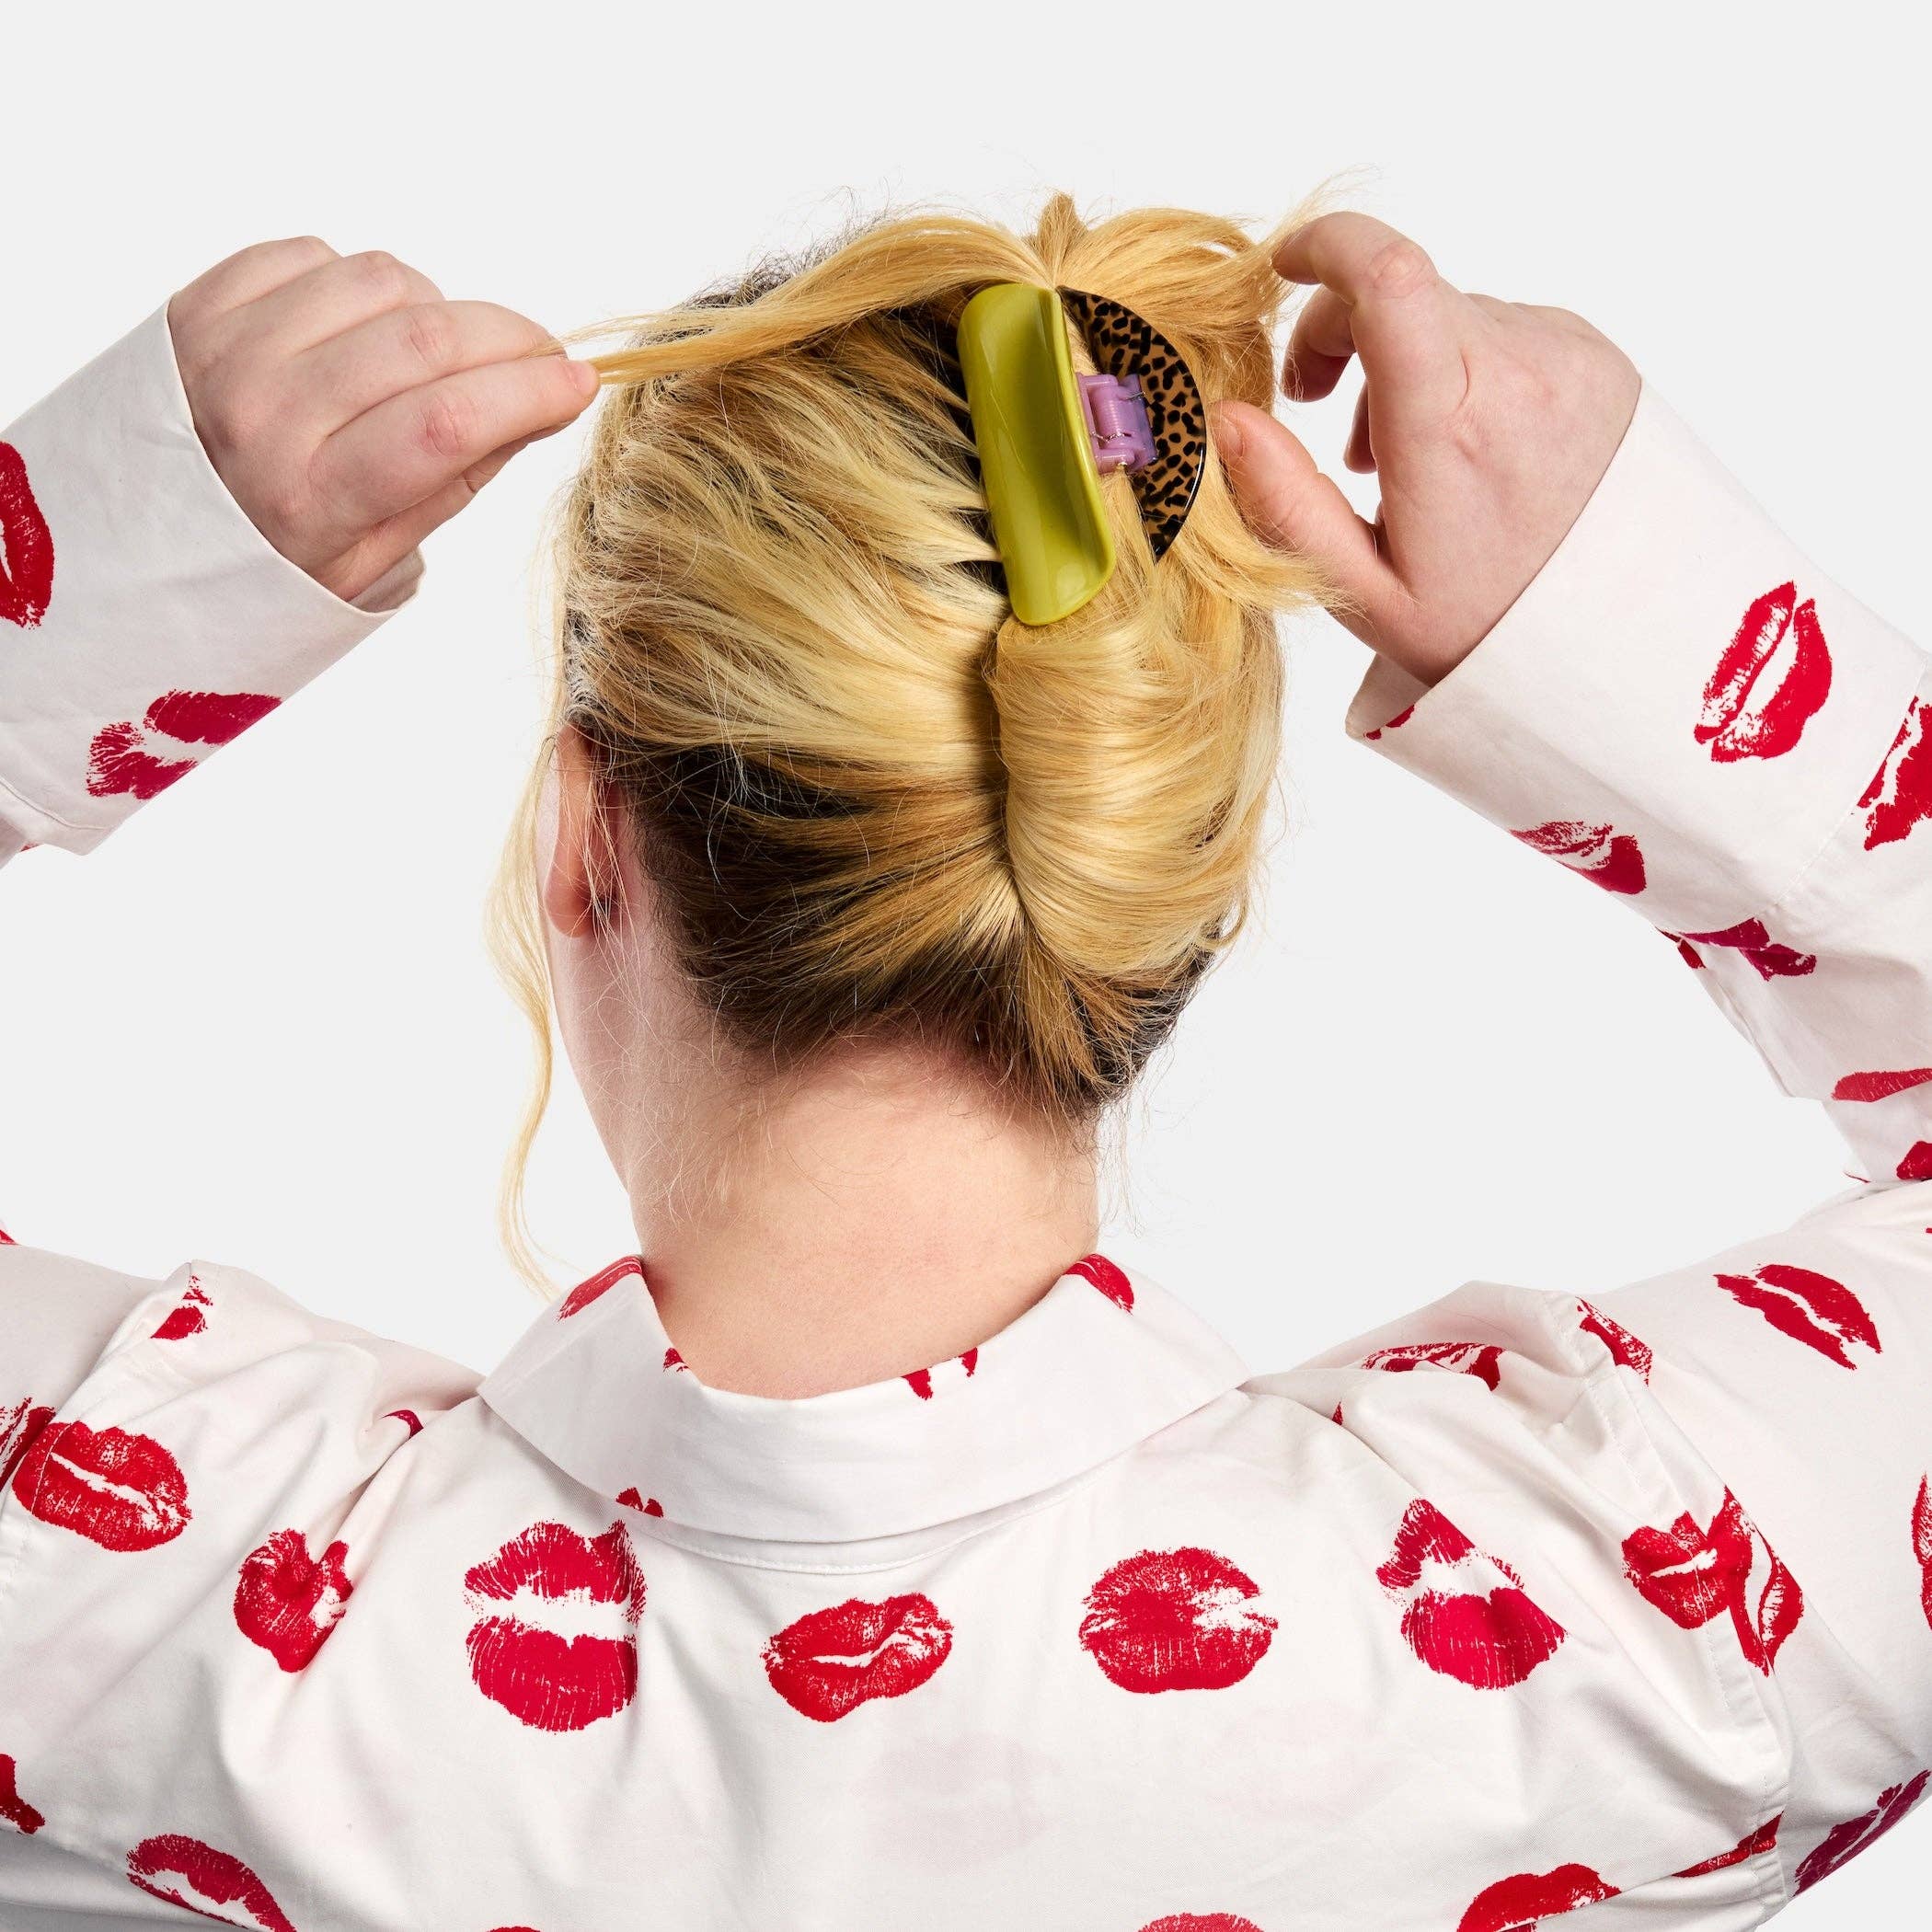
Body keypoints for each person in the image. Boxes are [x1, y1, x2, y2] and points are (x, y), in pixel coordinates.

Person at [0, 196, 1926, 1932]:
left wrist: (91, 577)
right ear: (1168, 860)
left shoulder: (116, 1602)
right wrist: (1623, 623)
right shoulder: (1636, 1635)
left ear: (586, 839)